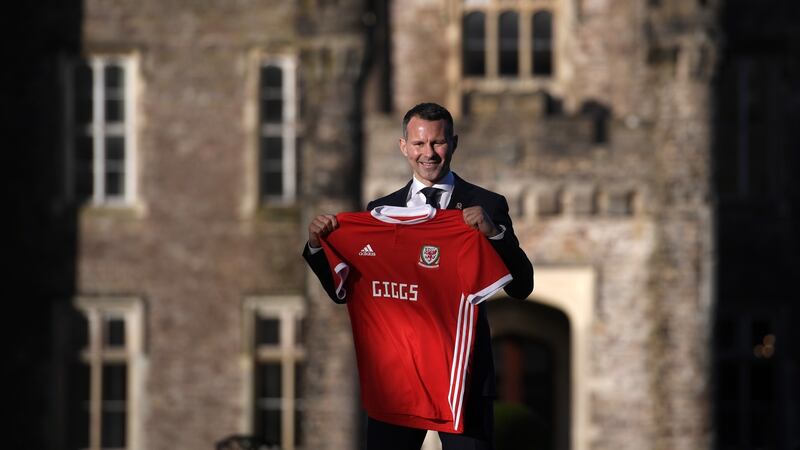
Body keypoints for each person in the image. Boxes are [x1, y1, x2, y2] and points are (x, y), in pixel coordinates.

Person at [302, 102, 534, 450]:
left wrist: (492, 233)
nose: (429, 153)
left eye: (438, 143)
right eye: (419, 144)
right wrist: (319, 246)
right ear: (403, 146)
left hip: (462, 378)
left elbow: (521, 286)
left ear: (453, 143)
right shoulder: (379, 213)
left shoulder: (486, 204)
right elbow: (344, 292)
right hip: (397, 377)